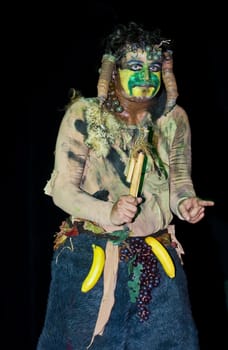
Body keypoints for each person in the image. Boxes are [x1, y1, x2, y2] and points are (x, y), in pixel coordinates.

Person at [37, 22, 214, 350]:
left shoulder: (174, 121)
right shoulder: (85, 114)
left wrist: (185, 202)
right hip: (89, 258)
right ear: (112, 71)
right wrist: (108, 211)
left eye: (154, 67)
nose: (147, 76)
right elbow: (62, 189)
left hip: (156, 260)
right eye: (135, 66)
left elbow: (179, 182)